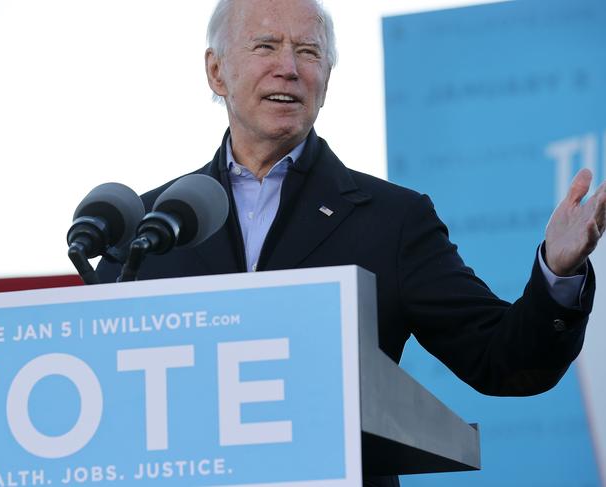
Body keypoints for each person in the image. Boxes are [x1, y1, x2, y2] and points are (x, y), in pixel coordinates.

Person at [97, 0, 605, 485]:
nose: (289, 68)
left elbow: (503, 359)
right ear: (216, 71)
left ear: (327, 80)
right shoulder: (151, 226)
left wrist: (557, 274)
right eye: (266, 46)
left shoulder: (393, 220)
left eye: (310, 52)